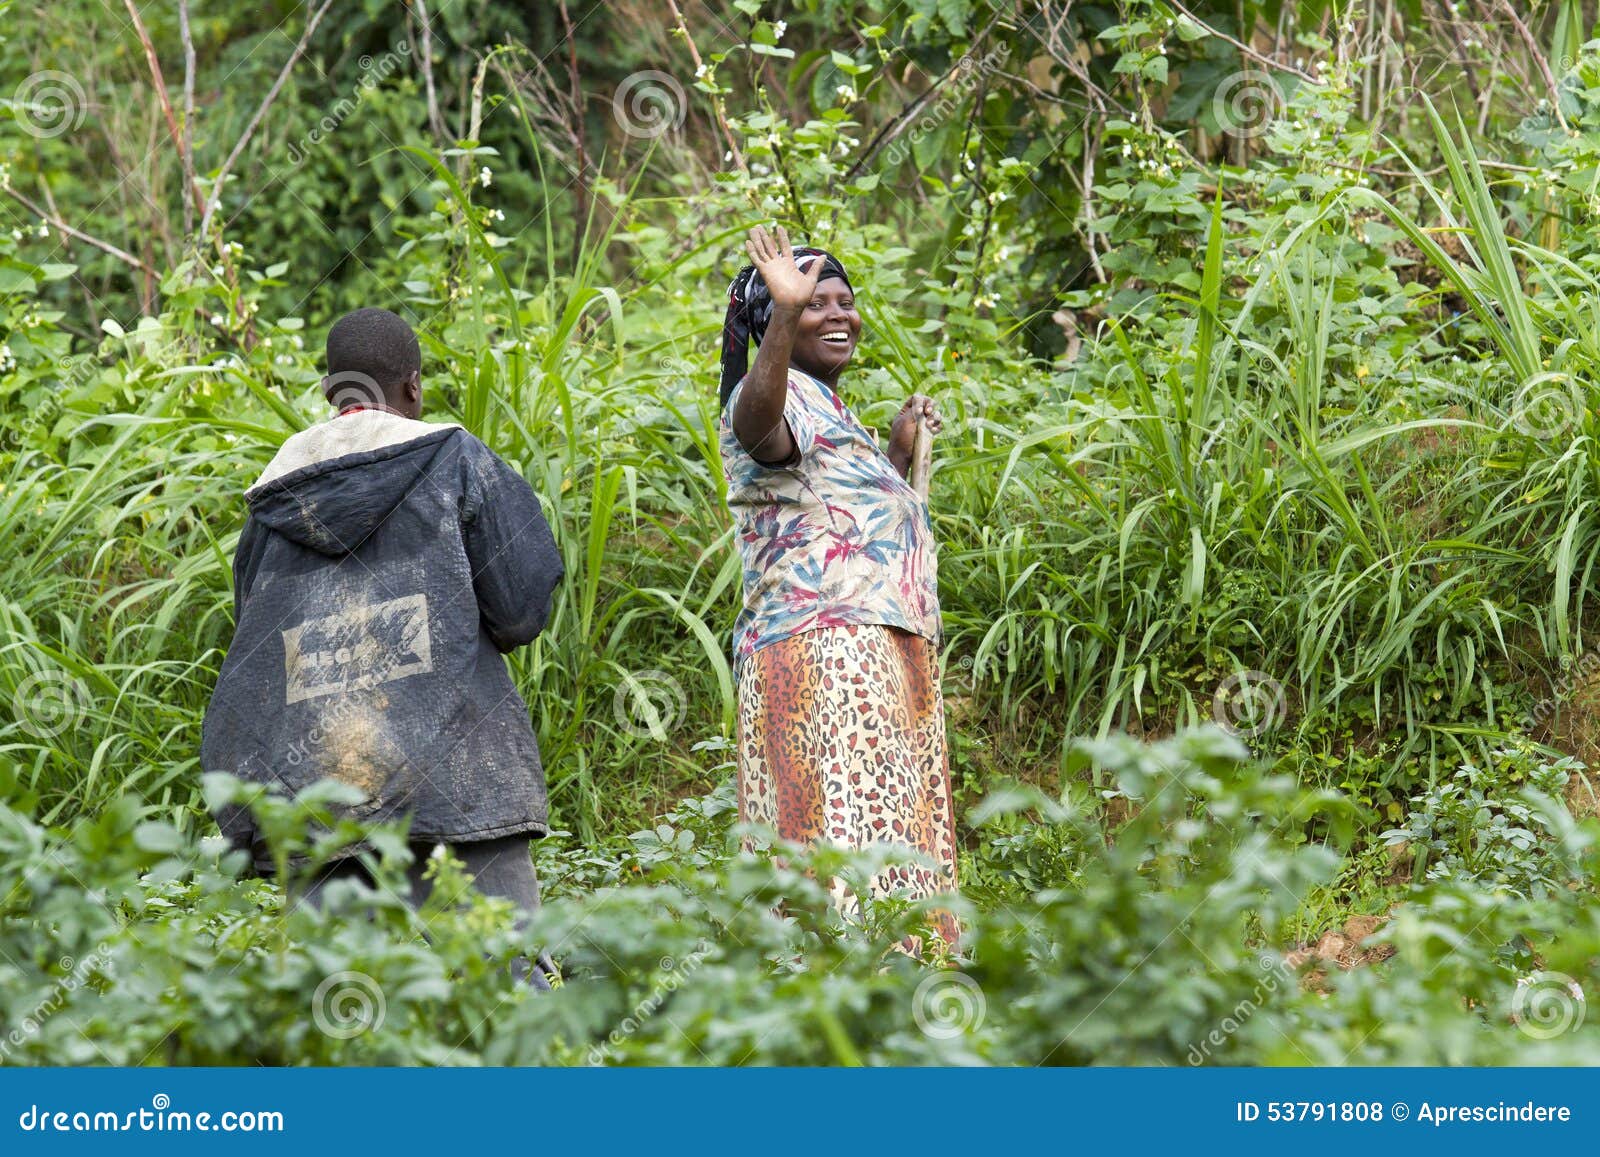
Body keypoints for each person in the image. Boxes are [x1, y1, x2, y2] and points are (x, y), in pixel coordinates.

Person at [201, 306, 563, 979]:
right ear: (415, 387)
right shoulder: (455, 460)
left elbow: (256, 639)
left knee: (344, 1027)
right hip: (462, 784)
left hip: (314, 802)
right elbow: (520, 610)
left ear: (329, 392)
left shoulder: (273, 505)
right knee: (512, 998)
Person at [719, 224, 958, 944]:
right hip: (825, 659)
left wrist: (894, 451)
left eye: (844, 301)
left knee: (880, 833)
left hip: (875, 660)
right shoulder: (771, 394)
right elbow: (760, 428)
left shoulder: (826, 409)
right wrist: (785, 319)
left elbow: (832, 512)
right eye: (813, 301)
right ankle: (844, 1012)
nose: (839, 314)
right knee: (842, 835)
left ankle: (894, 1007)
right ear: (772, 320)